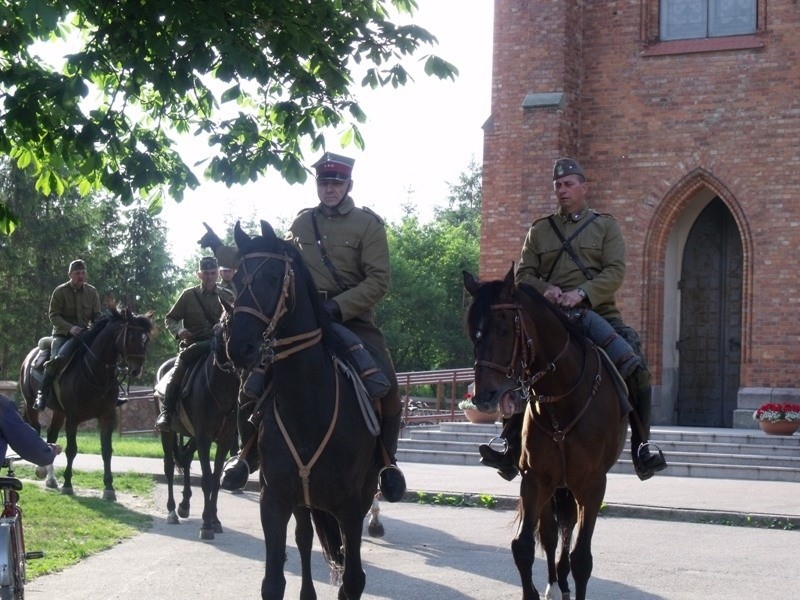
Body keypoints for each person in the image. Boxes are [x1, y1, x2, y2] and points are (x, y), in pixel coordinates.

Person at [202, 152, 407, 502]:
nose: (330, 189)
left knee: (385, 383)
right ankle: (246, 454)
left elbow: (379, 281)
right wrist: (221, 249)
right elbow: (266, 261)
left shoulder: (367, 225)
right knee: (253, 383)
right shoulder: (300, 224)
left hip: (351, 319)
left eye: (336, 183)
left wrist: (337, 306)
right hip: (298, 319)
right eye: (324, 182)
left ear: (348, 185)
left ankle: (387, 464)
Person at [478, 158, 668, 481]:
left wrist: (582, 293)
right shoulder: (540, 231)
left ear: (584, 187)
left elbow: (615, 272)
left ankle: (642, 446)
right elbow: (524, 274)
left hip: (596, 313)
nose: (562, 190)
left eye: (568, 185)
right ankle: (510, 446)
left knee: (634, 366)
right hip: (551, 319)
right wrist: (546, 290)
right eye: (558, 185)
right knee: (520, 366)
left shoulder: (606, 227)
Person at [155, 256, 227, 431]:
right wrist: (179, 331)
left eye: (212, 273)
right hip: (193, 345)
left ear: (218, 274)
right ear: (199, 275)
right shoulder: (188, 295)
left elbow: (237, 318)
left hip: (219, 345)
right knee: (181, 364)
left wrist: (223, 325)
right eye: (206, 273)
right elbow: (170, 318)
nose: (210, 277)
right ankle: (167, 410)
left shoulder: (227, 295)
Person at [34, 259, 101, 411]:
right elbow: (54, 315)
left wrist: (100, 324)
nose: (81, 276)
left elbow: (96, 315)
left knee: (103, 355)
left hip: (84, 335)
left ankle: (108, 395)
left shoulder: (92, 292)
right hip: (63, 335)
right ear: (70, 274)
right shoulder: (60, 291)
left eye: (83, 273)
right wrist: (70, 328)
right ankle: (41, 395)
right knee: (55, 362)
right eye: (77, 273)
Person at [1, 392, 61, 466]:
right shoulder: (3, 406)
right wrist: (50, 451)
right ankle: (41, 398)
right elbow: (26, 443)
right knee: (46, 381)